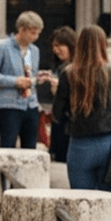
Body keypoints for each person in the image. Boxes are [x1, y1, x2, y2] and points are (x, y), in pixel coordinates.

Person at [52, 25, 111, 207]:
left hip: (80, 146)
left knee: (82, 206)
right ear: (103, 45)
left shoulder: (68, 75)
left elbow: (56, 115)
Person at [0, 11, 44, 149]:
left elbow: (31, 74)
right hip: (9, 105)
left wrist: (38, 79)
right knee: (8, 146)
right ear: (21, 29)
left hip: (31, 104)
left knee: (30, 147)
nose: (36, 37)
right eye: (33, 32)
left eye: (38, 33)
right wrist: (15, 81)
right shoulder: (3, 47)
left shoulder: (35, 50)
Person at [43, 26, 77, 163]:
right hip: (60, 119)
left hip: (71, 120)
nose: (55, 50)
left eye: (59, 45)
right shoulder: (59, 66)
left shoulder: (77, 67)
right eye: (53, 46)